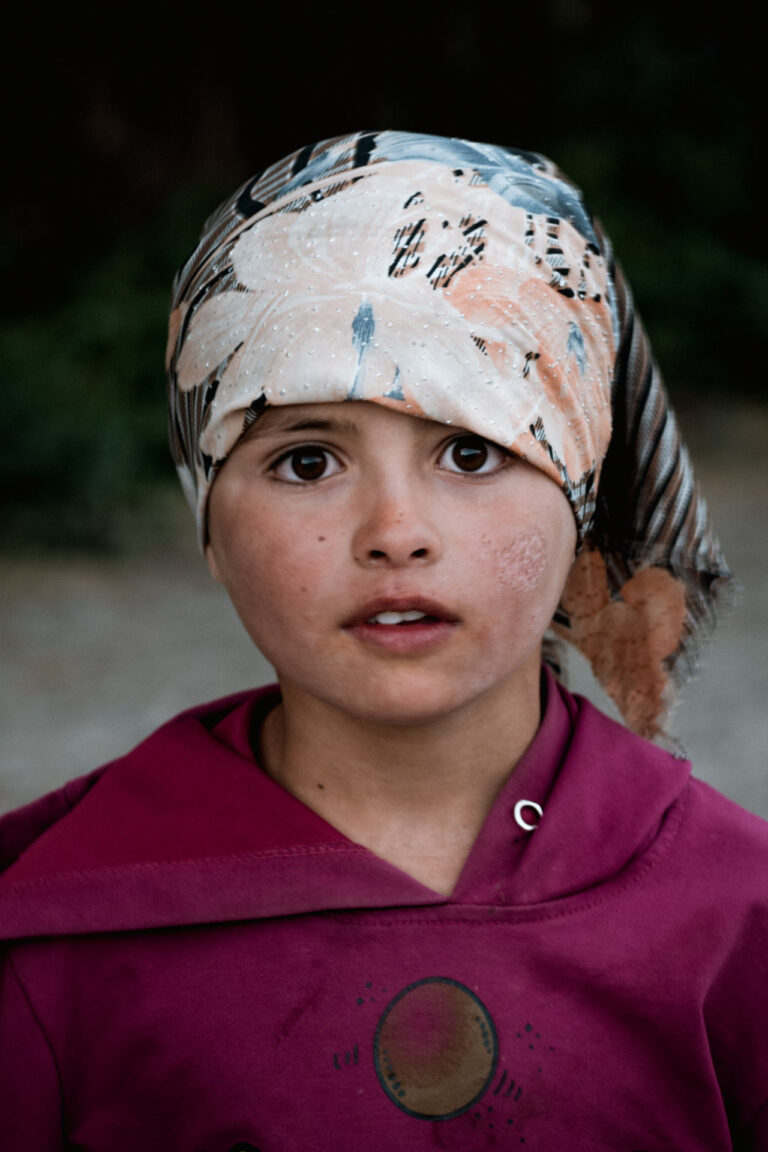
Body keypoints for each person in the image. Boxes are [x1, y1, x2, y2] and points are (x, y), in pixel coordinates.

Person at [0, 130, 766, 1150]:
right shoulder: (51, 938)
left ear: (578, 503)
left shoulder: (737, 918)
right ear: (209, 525)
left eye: (471, 449)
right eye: (308, 461)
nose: (395, 531)